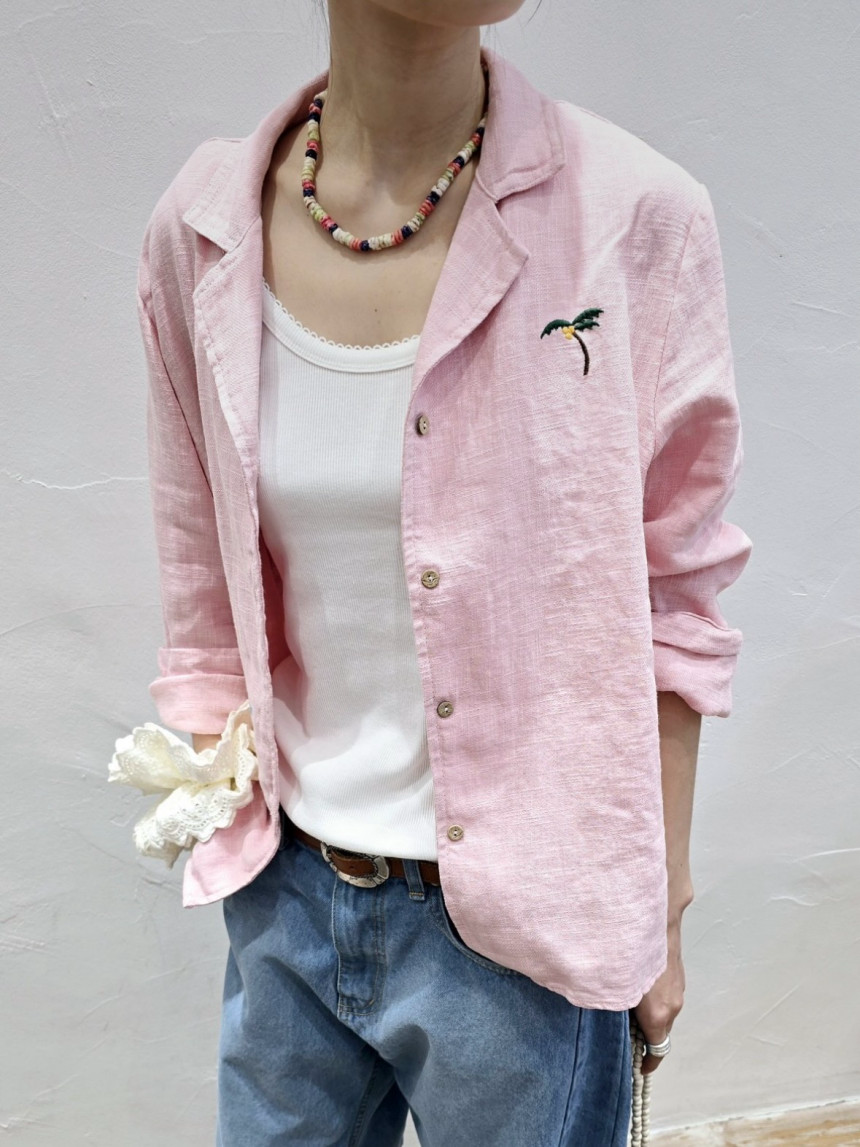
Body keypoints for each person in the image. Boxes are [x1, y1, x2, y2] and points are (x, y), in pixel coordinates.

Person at [136, 2, 753, 1144]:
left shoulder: (633, 221)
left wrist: (656, 903)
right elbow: (202, 581)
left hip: (533, 942)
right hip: (288, 901)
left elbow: (674, 590)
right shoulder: (204, 230)